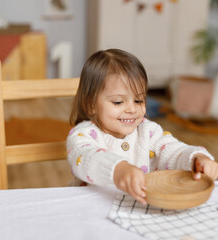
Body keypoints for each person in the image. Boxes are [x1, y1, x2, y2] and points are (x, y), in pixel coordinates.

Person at [66, 49, 218, 205]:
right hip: (91, 207)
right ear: (91, 104)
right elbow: (85, 158)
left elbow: (174, 151)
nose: (132, 109)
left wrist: (196, 159)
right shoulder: (82, 135)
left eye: (138, 100)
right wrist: (118, 170)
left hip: (139, 207)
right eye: (118, 102)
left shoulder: (148, 131)